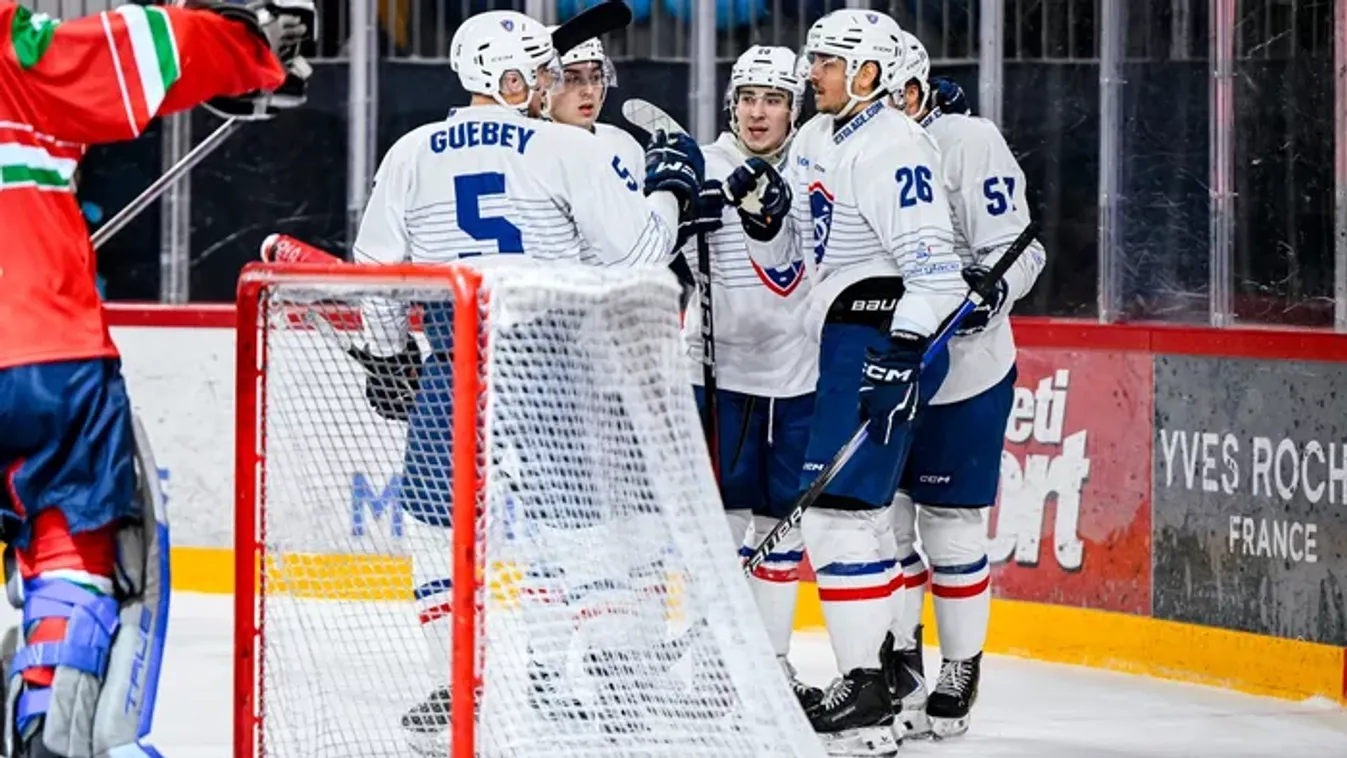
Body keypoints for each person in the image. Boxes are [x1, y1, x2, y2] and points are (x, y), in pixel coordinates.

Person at [346, 9, 719, 753]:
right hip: (550, 361)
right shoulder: (562, 148)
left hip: (454, 363)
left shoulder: (411, 151)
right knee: (580, 527)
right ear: (508, 78)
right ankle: (616, 675)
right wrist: (671, 190)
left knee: (437, 529)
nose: (550, 84)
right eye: (541, 72)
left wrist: (387, 356)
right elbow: (636, 257)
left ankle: (453, 685)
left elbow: (374, 271)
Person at [0, 1, 312, 756]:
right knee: (73, 542)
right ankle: (49, 729)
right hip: (38, 345)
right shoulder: (9, 53)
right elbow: (134, 52)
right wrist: (247, 44)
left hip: (39, 343)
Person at [722, 9, 966, 756]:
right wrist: (766, 218)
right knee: (850, 517)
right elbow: (797, 255)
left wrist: (903, 351)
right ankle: (882, 680)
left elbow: (937, 274)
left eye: (827, 62)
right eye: (815, 59)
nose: (813, 73)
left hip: (881, 338)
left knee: (841, 518)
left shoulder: (895, 146)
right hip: (841, 341)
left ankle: (866, 688)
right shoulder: (818, 139)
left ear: (868, 74)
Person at [877, 30, 1046, 740]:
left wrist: (991, 291)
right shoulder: (843, 146)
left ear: (913, 91)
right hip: (880, 364)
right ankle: (896, 660)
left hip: (965, 370)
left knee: (948, 523)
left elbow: (1021, 247)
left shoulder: (968, 142)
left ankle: (959, 665)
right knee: (879, 524)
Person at [676, 44, 823, 713]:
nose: (758, 113)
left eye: (773, 100)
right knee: (718, 523)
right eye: (747, 98)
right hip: (718, 373)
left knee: (781, 527)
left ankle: (770, 663)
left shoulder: (817, 163)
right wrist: (684, 218)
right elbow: (651, 248)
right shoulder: (702, 165)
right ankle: (713, 664)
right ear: (730, 103)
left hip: (800, 374)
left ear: (794, 108)